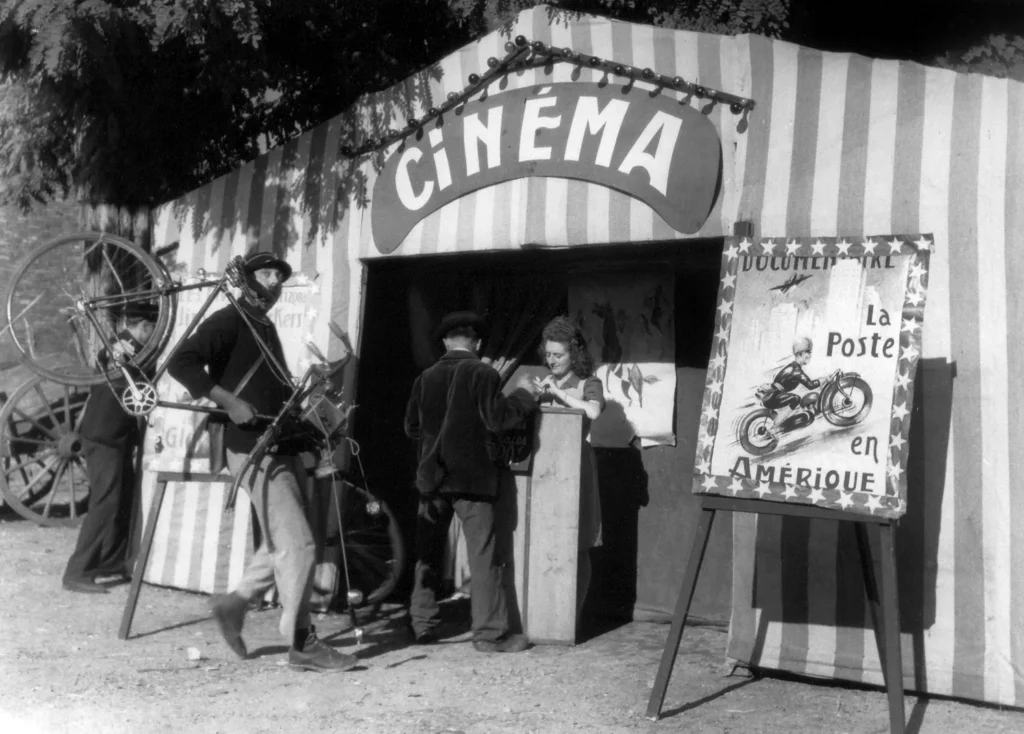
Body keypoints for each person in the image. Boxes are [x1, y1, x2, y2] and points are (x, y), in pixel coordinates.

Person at [168, 251, 355, 672]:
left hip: (277, 444)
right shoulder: (231, 317)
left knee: (283, 540)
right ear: (248, 279)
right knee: (301, 544)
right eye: (267, 273)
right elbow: (181, 362)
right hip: (252, 447)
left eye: (279, 276)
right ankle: (302, 644)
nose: (274, 281)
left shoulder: (263, 325)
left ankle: (232, 606)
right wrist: (229, 402)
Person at [404, 310, 539, 653]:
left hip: (432, 480)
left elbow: (411, 428)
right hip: (473, 481)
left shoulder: (425, 377)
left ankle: (422, 624)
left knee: (428, 554)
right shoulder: (484, 373)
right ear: (477, 343)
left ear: (446, 342)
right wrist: (523, 396)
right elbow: (498, 420)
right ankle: (489, 635)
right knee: (483, 557)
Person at [62, 303, 159, 594]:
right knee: (105, 502)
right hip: (104, 436)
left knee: (123, 497)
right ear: (144, 326)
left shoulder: (123, 347)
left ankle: (109, 561)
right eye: (153, 328)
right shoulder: (124, 349)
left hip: (115, 436)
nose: (155, 334)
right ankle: (77, 571)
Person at [533, 315, 606, 627]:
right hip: (545, 467)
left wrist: (558, 394)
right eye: (548, 355)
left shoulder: (588, 383)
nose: (552, 361)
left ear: (573, 355)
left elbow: (592, 411)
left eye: (558, 355)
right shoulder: (545, 381)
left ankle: (570, 617)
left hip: (576, 466)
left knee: (577, 543)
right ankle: (544, 614)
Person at [762, 336, 838, 435]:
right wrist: (823, 380)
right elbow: (810, 385)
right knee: (796, 399)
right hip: (772, 398)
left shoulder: (793, 367)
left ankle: (780, 425)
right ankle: (775, 428)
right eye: (808, 352)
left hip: (772, 397)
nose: (810, 356)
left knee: (797, 403)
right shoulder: (796, 371)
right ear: (800, 354)